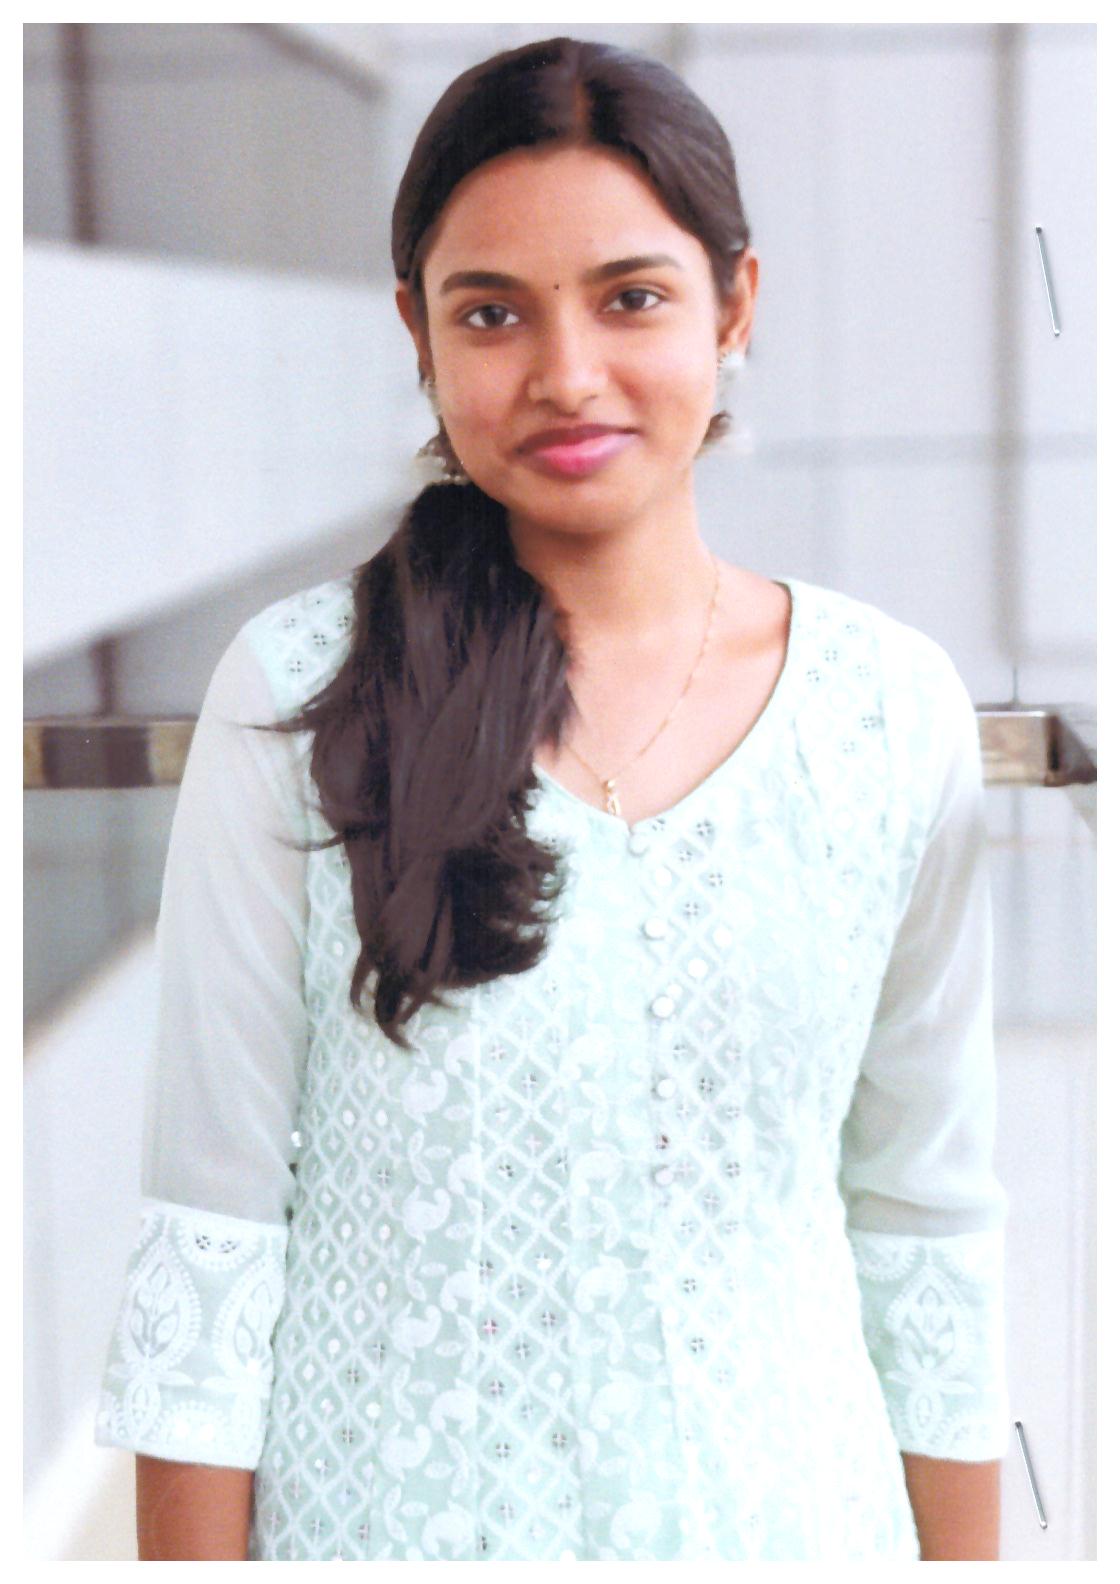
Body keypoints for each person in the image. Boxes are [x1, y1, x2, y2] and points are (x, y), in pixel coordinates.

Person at [94, 35, 1009, 1561]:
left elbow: (929, 1231)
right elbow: (212, 1235)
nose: (566, 374)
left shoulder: (890, 714)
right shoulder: (299, 695)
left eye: (632, 297)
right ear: (418, 330)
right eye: (493, 313)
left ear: (736, 306)